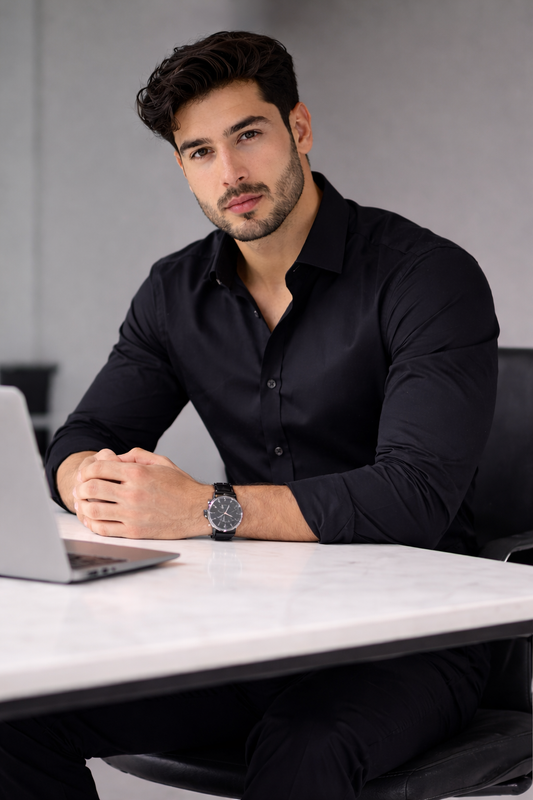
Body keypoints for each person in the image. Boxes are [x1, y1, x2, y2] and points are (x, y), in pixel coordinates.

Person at [0, 31, 499, 800]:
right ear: (181, 167)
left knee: (304, 749)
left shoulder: (424, 277)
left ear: (297, 128)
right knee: (15, 721)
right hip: (254, 628)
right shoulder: (174, 293)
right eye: (199, 151)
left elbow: (414, 497)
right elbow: (82, 439)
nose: (229, 173)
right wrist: (94, 481)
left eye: (248, 136)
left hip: (412, 641)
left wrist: (204, 509)